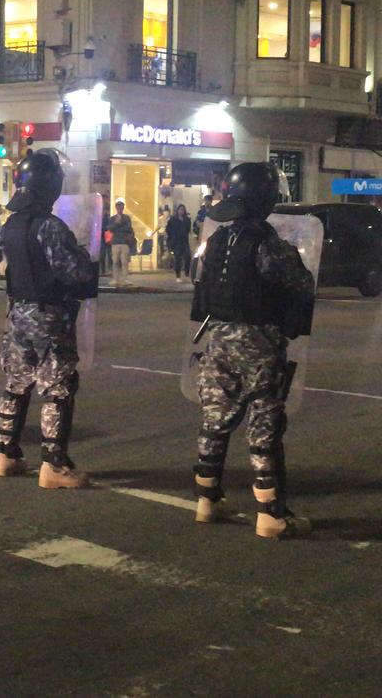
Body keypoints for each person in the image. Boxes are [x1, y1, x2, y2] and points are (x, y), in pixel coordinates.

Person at [189, 163, 316, 539]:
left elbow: (202, 292)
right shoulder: (268, 245)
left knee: (215, 421)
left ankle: (207, 500)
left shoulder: (215, 242)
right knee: (264, 427)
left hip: (218, 340)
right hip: (258, 344)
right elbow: (302, 285)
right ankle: (270, 514)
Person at [0, 149, 99, 488]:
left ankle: (6, 454)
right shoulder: (50, 227)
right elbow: (72, 272)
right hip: (48, 314)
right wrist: (84, 256)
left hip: (17, 313)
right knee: (58, 388)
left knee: (16, 384)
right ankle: (54, 464)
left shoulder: (10, 225)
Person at [105, 199, 136, 285]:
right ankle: (116, 278)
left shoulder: (127, 218)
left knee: (124, 261)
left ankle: (125, 279)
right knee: (115, 261)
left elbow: (129, 228)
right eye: (118, 206)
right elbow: (109, 228)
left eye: (121, 206)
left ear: (123, 207)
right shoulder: (112, 219)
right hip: (115, 242)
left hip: (124, 242)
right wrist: (117, 224)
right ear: (116, 208)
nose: (119, 208)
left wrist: (118, 225)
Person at [165, 204, 192, 282]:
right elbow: (168, 229)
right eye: (180, 210)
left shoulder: (187, 220)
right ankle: (178, 276)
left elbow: (188, 229)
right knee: (178, 259)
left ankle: (187, 274)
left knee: (188, 257)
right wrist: (172, 236)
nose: (181, 211)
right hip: (176, 242)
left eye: (183, 210)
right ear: (177, 211)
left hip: (184, 241)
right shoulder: (173, 219)